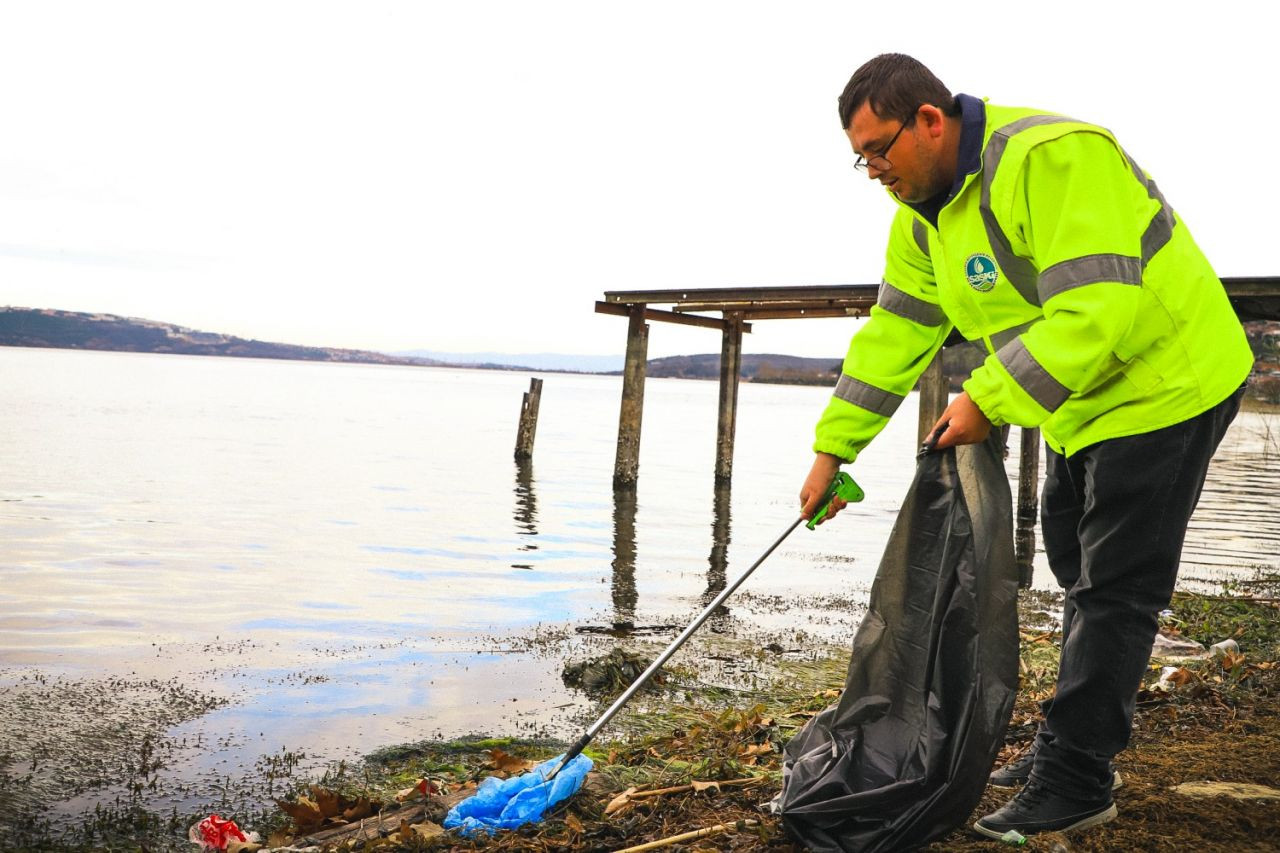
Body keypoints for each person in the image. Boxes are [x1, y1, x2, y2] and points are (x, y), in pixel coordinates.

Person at [798, 53, 1251, 840]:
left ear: (930, 121)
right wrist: (834, 451)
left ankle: (1077, 773)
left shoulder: (1051, 159)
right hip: (1081, 403)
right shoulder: (921, 220)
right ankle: (1070, 740)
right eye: (859, 156)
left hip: (1169, 382)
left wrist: (990, 399)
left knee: (1116, 587)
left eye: (879, 148)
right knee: (1074, 563)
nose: (871, 169)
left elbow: (1097, 309)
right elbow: (897, 334)